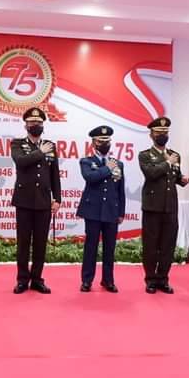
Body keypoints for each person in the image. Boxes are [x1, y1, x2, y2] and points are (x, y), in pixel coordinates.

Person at [11, 107, 61, 294]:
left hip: (43, 201)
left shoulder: (50, 146)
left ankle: (37, 279)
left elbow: (54, 174)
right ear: (26, 125)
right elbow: (21, 162)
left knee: (40, 243)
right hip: (23, 201)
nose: (35, 125)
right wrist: (40, 152)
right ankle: (22, 280)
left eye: (39, 123)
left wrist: (57, 198)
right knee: (24, 243)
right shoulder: (17, 144)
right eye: (32, 123)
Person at [139, 117, 189, 294]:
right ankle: (151, 280)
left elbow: (174, 177)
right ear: (151, 135)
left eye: (165, 132)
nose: (162, 135)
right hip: (152, 206)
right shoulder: (145, 155)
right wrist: (168, 162)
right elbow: (151, 173)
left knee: (168, 245)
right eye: (159, 132)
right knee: (151, 245)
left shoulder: (174, 155)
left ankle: (163, 279)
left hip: (170, 206)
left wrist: (182, 180)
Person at [76, 125, 125, 293]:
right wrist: (107, 168)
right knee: (91, 247)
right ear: (94, 143)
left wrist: (121, 212)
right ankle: (87, 280)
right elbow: (90, 177)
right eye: (101, 141)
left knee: (109, 248)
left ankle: (108, 280)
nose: (105, 144)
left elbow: (120, 191)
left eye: (107, 141)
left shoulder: (118, 164)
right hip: (93, 211)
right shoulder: (87, 161)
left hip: (111, 211)